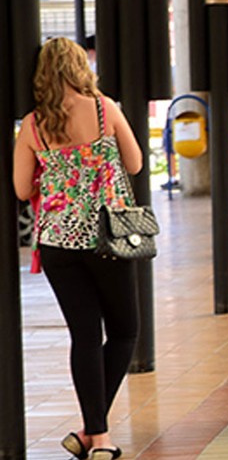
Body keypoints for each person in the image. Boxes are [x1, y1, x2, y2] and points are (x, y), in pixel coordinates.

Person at [12, 37, 143, 460]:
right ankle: (97, 435)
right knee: (124, 331)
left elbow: (19, 188)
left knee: (84, 336)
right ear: (79, 67)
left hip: (56, 243)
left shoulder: (32, 125)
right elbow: (136, 162)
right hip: (106, 237)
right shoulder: (104, 107)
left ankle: (94, 435)